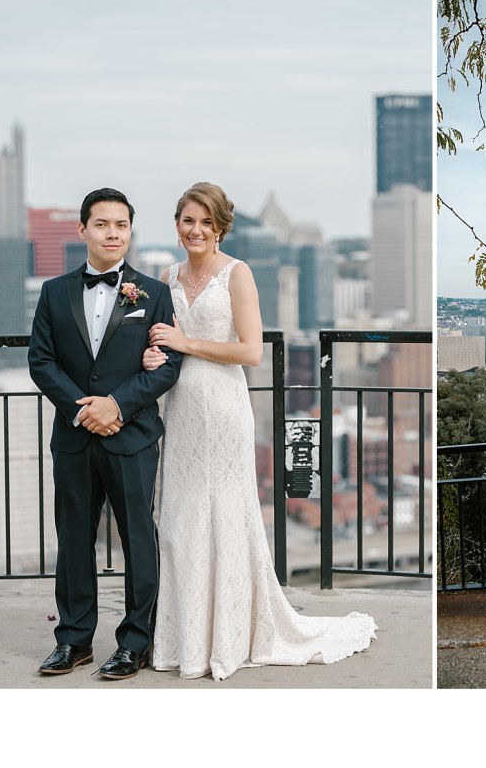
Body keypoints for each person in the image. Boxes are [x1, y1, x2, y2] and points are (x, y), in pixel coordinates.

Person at [143, 181, 376, 680]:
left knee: (226, 513)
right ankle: (186, 636)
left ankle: (229, 634)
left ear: (221, 227)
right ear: (177, 225)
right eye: (188, 220)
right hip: (179, 407)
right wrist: (156, 351)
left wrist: (186, 342)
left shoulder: (238, 275)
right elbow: (163, 345)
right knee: (180, 518)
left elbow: (251, 350)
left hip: (224, 404)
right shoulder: (166, 277)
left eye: (206, 222)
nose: (197, 230)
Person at [28, 187, 183, 680]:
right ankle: (73, 641)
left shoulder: (154, 294)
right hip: (75, 436)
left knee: (139, 539)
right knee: (73, 540)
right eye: (101, 224)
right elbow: (41, 361)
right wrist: (85, 411)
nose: (111, 233)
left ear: (130, 231)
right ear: (83, 230)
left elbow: (167, 366)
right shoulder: (53, 292)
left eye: (120, 225)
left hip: (131, 435)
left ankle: (135, 643)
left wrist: (116, 405)